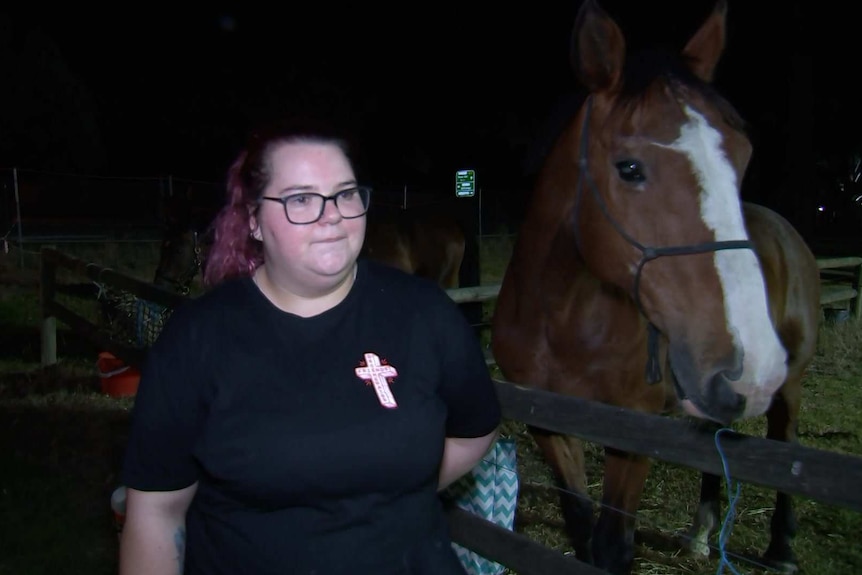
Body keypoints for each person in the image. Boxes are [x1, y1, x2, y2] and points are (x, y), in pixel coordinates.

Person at [118, 117, 502, 575]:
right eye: (302, 198)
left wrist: (395, 490)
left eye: (345, 194)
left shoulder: (425, 314)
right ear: (255, 220)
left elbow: (476, 427)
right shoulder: (197, 340)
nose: (333, 213)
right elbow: (156, 514)